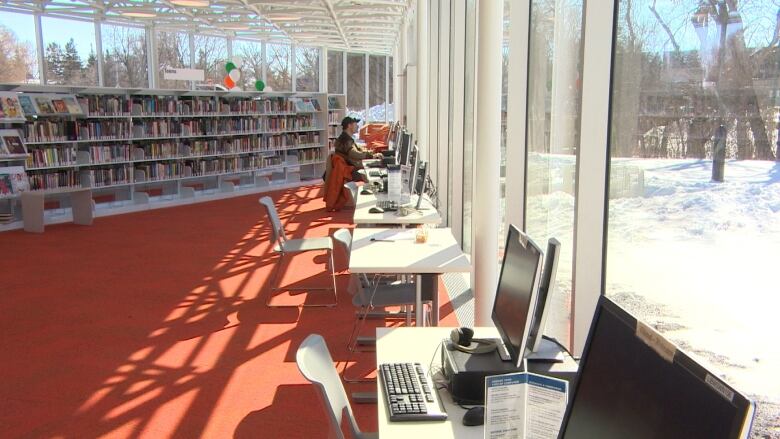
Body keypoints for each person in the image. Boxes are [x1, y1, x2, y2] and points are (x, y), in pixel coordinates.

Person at [334, 116, 382, 181]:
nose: (358, 126)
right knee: (372, 173)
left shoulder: (345, 138)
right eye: (356, 124)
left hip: (349, 167)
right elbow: (354, 154)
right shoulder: (345, 140)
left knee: (373, 167)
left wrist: (371, 153)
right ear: (349, 125)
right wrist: (371, 156)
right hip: (350, 170)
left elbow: (357, 149)